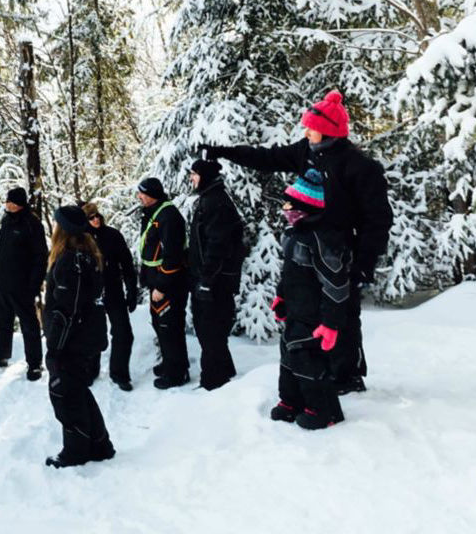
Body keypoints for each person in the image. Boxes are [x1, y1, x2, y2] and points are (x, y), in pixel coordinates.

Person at [202, 90, 392, 394]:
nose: (305, 131)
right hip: (308, 247)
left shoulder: (359, 167)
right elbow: (268, 157)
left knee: (342, 317)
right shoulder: (307, 150)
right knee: (313, 314)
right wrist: (225, 152)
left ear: (328, 129)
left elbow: (378, 221)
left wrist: (364, 266)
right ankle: (319, 372)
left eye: (311, 127)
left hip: (342, 253)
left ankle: (347, 378)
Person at [269, 169, 349, 429]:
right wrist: (281, 297)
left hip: (315, 315)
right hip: (295, 309)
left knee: (308, 361)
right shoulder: (294, 236)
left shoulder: (321, 239)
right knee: (288, 356)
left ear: (305, 208)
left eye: (290, 205)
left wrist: (331, 323)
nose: (285, 210)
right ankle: (290, 401)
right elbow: (290, 272)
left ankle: (322, 410)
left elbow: (336, 283)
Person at [42, 205, 115, 468]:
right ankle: (100, 444)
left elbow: (66, 310)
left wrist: (55, 346)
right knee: (78, 390)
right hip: (86, 336)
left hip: (73, 340)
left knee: (64, 394)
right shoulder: (86, 254)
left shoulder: (70, 261)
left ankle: (75, 451)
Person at [186, 159, 244, 390]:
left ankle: (213, 381)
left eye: (194, 174)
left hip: (214, 280)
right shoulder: (210, 199)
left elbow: (218, 245)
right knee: (210, 328)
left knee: (209, 328)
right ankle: (224, 370)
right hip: (208, 277)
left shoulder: (215, 202)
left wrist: (207, 279)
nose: (191, 178)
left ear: (205, 176)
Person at [0, 186, 47, 380]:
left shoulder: (32, 224)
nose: (8, 205)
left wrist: (34, 285)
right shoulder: (6, 221)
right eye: (7, 201)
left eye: (12, 202)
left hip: (23, 286)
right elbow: (3, 250)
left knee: (29, 325)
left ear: (20, 203)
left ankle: (34, 365)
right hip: (4, 283)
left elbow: (40, 257)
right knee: (2, 322)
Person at [135, 177, 191, 389]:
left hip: (169, 282)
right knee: (160, 323)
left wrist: (161, 286)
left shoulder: (169, 216)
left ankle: (177, 373)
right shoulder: (153, 212)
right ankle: (170, 363)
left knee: (170, 325)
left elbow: (173, 256)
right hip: (155, 278)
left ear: (152, 195)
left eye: (142, 193)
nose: (139, 197)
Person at [81, 202, 138, 391]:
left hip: (114, 290)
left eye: (97, 215)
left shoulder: (113, 235)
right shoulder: (80, 240)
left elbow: (127, 264)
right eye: (91, 217)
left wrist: (131, 290)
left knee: (123, 332)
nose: (96, 219)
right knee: (92, 334)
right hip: (91, 294)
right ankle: (90, 370)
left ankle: (119, 373)